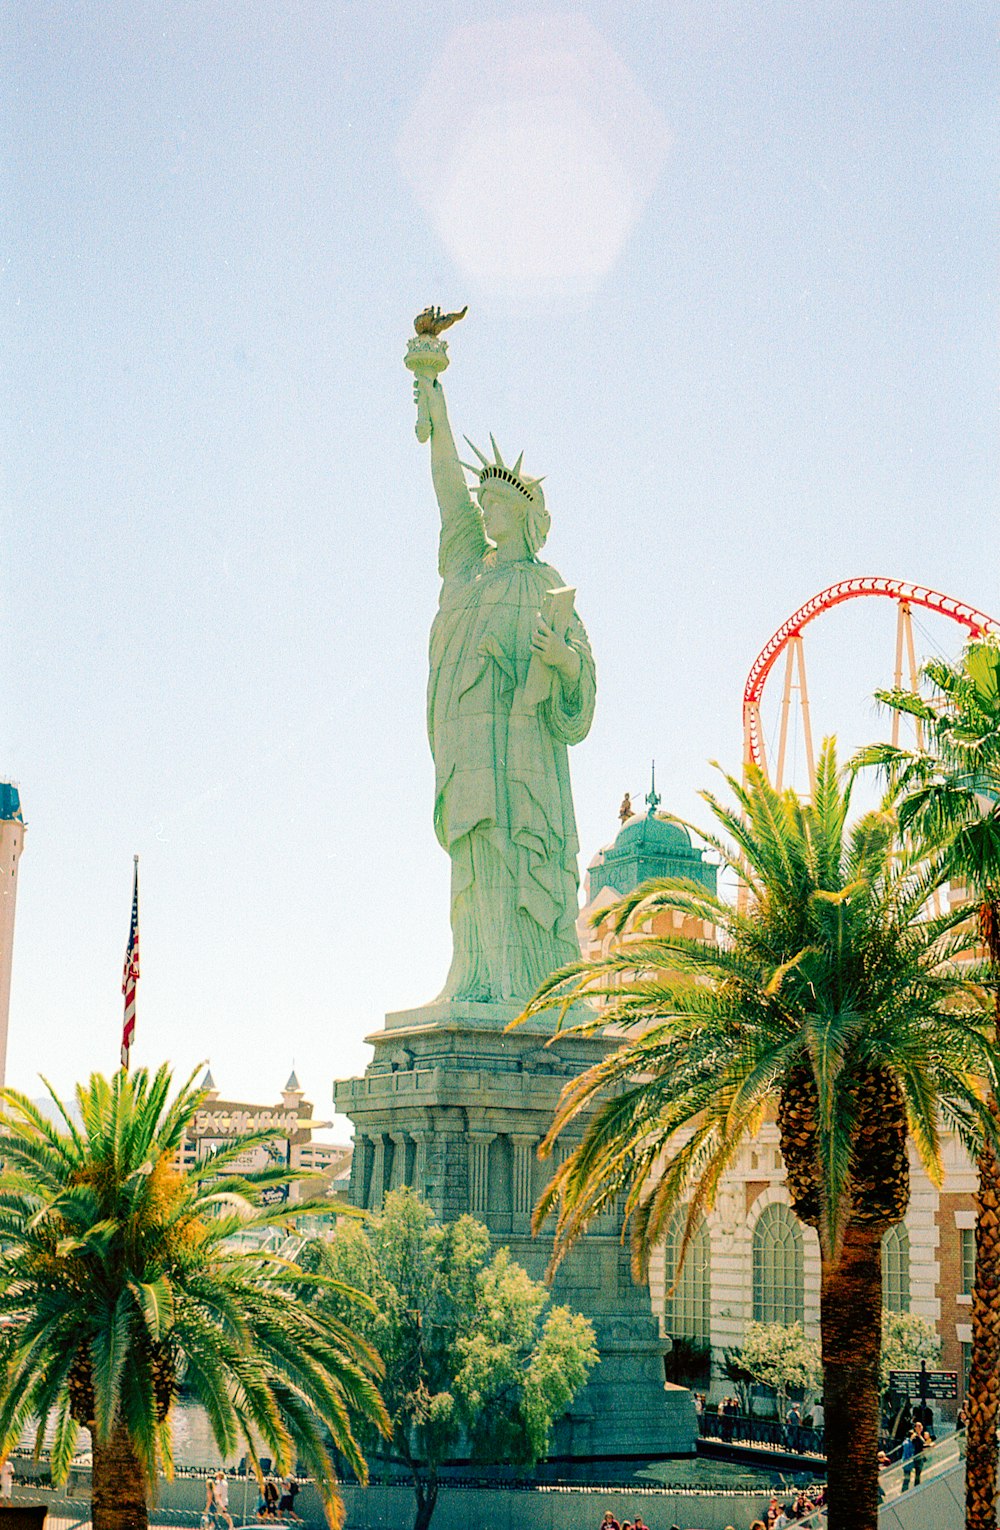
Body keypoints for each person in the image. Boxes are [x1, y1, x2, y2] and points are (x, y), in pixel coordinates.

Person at [416, 372, 596, 1003]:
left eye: (497, 504)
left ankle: (535, 987)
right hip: (468, 748)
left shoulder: (545, 583)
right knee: (474, 866)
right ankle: (475, 976)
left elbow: (582, 678)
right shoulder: (465, 566)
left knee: (525, 860)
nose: (484, 511)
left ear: (524, 515)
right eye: (484, 503)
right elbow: (446, 491)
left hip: (525, 756)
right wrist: (432, 392)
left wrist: (564, 662)